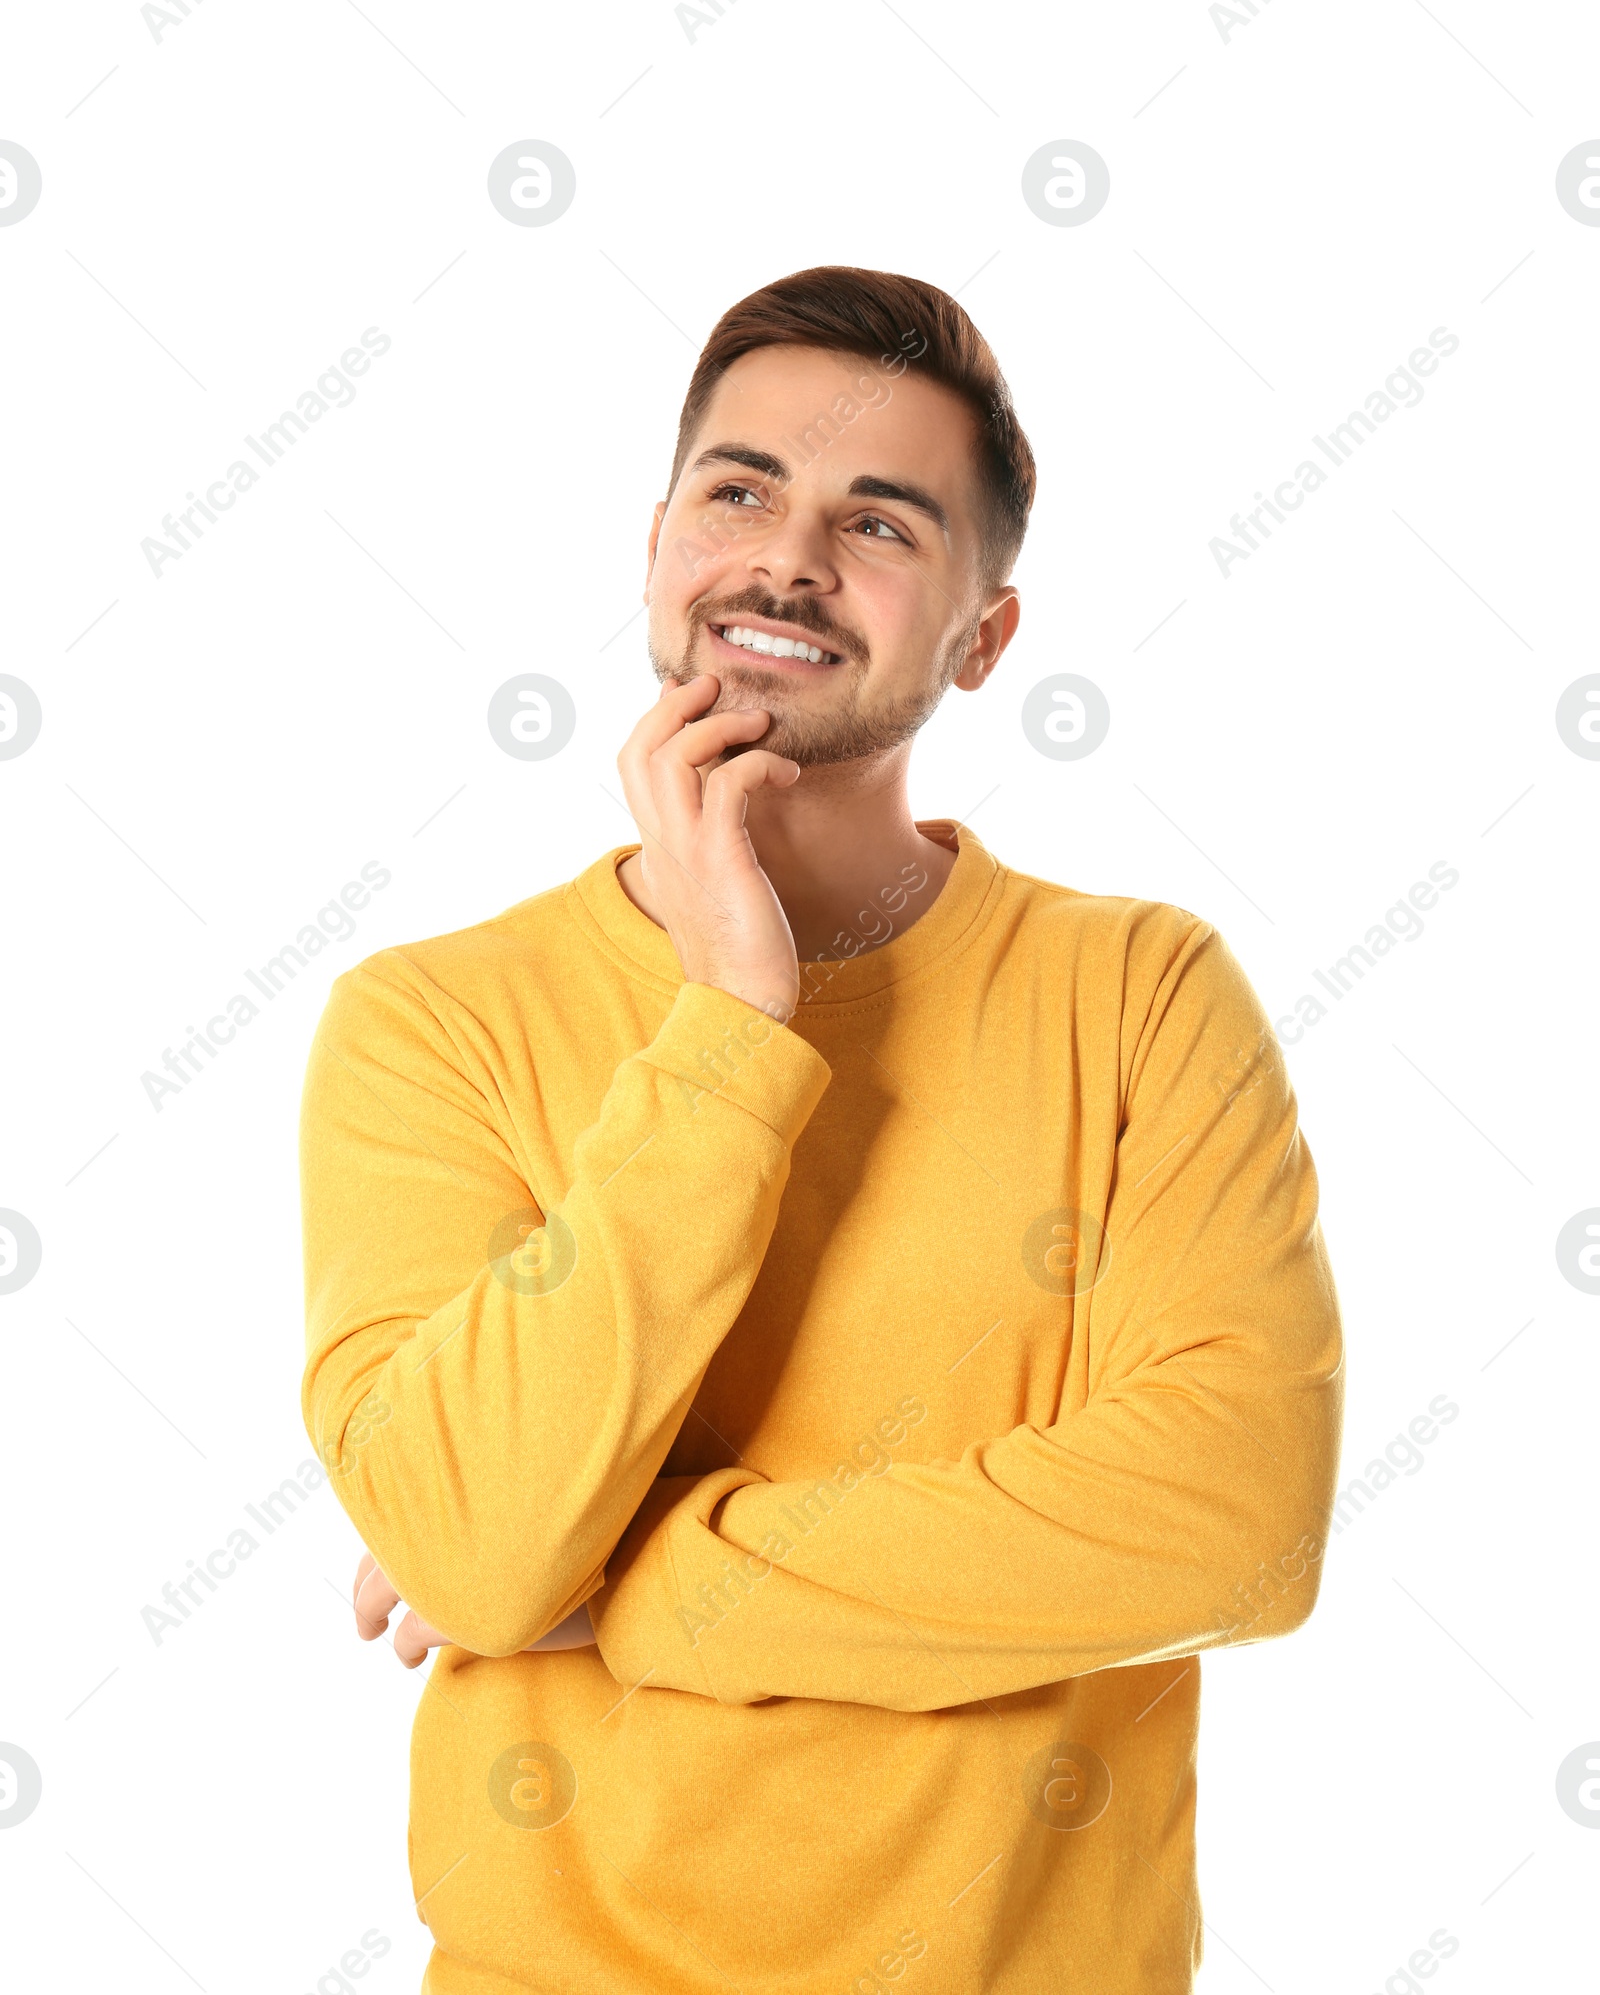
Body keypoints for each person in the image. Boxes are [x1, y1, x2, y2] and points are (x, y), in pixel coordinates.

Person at [300, 264, 1345, 1995]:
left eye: (879, 523)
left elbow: (1238, 1521)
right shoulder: (430, 1021)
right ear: (658, 547)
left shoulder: (1145, 993)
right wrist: (729, 1016)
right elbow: (478, 1547)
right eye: (740, 491)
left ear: (982, 637)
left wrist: (640, 1572)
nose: (786, 558)